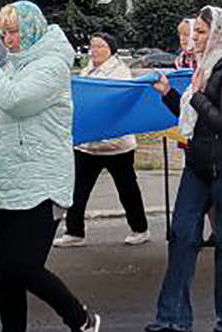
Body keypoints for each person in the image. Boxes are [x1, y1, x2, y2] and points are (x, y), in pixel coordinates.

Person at [0, 1, 101, 332]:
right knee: (5, 270)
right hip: (10, 181)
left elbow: (17, 101)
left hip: (41, 182)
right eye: (4, 33)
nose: (8, 40)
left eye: (14, 32)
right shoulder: (15, 63)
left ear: (33, 28)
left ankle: (81, 319)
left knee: (23, 266)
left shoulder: (51, 65)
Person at [146, 6, 222, 332]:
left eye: (200, 32)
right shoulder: (205, 67)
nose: (193, 38)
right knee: (181, 235)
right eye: (193, 31)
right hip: (200, 164)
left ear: (217, 34)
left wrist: (196, 95)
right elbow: (196, 120)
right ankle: (173, 317)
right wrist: (171, 94)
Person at [55, 32, 151, 249]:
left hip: (116, 145)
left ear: (111, 49)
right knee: (78, 189)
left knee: (127, 188)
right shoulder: (87, 70)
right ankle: (74, 232)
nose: (95, 50)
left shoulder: (120, 73)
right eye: (93, 46)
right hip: (88, 144)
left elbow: (117, 103)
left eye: (100, 46)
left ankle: (140, 228)